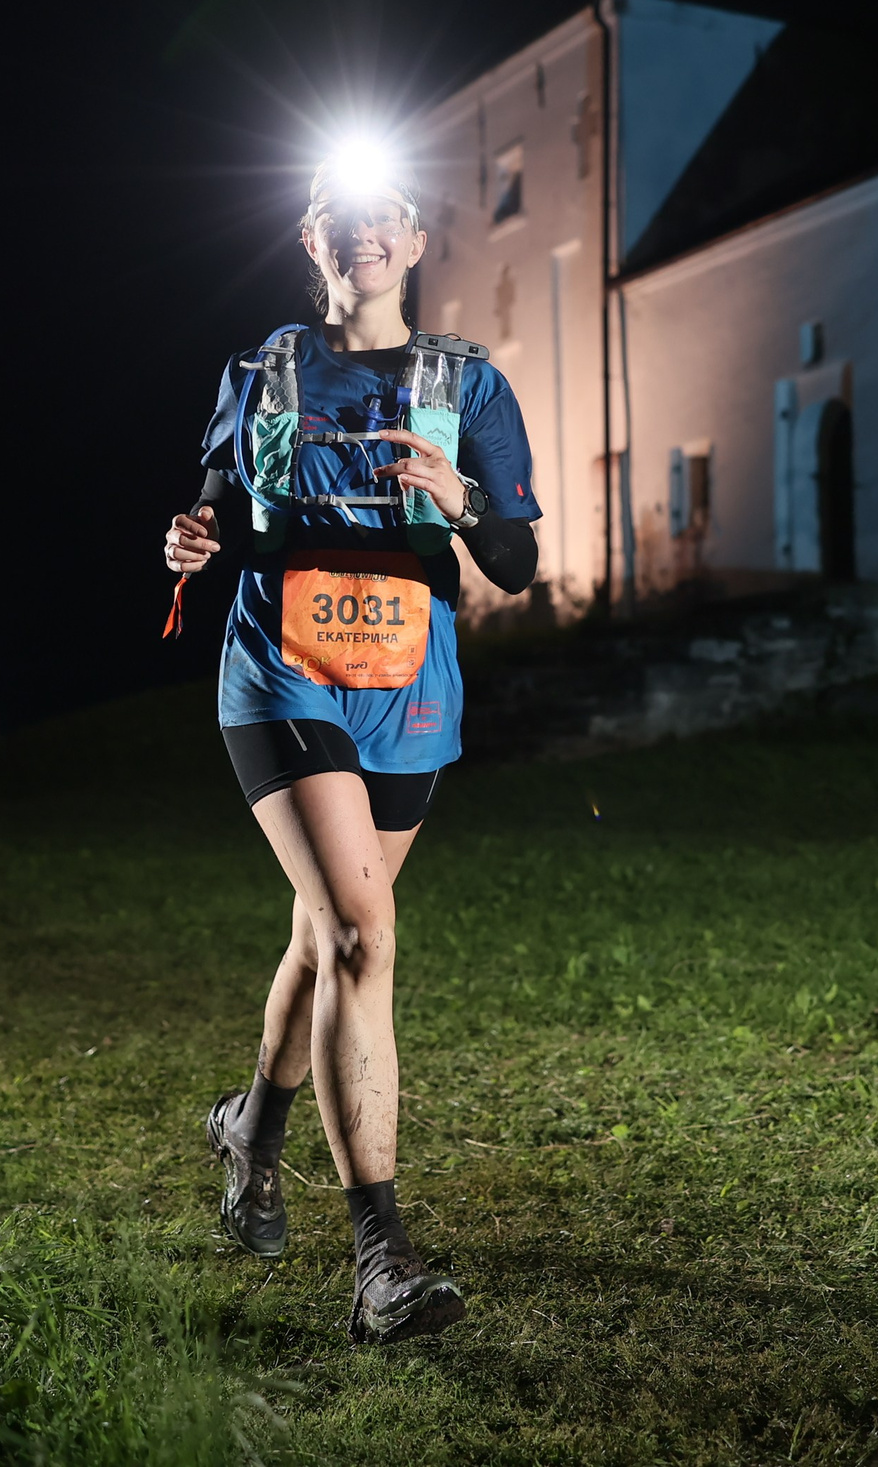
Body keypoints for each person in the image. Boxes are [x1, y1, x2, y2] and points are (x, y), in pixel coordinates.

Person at [164, 150, 542, 1345]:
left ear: (417, 241)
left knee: (321, 939)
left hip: (409, 682)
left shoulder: (469, 385)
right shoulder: (263, 367)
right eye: (340, 216)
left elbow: (521, 567)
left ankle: (254, 1129)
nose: (364, 233)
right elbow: (219, 494)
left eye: (385, 215)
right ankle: (381, 1253)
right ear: (309, 239)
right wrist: (193, 534)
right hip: (279, 665)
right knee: (358, 936)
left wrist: (464, 500)